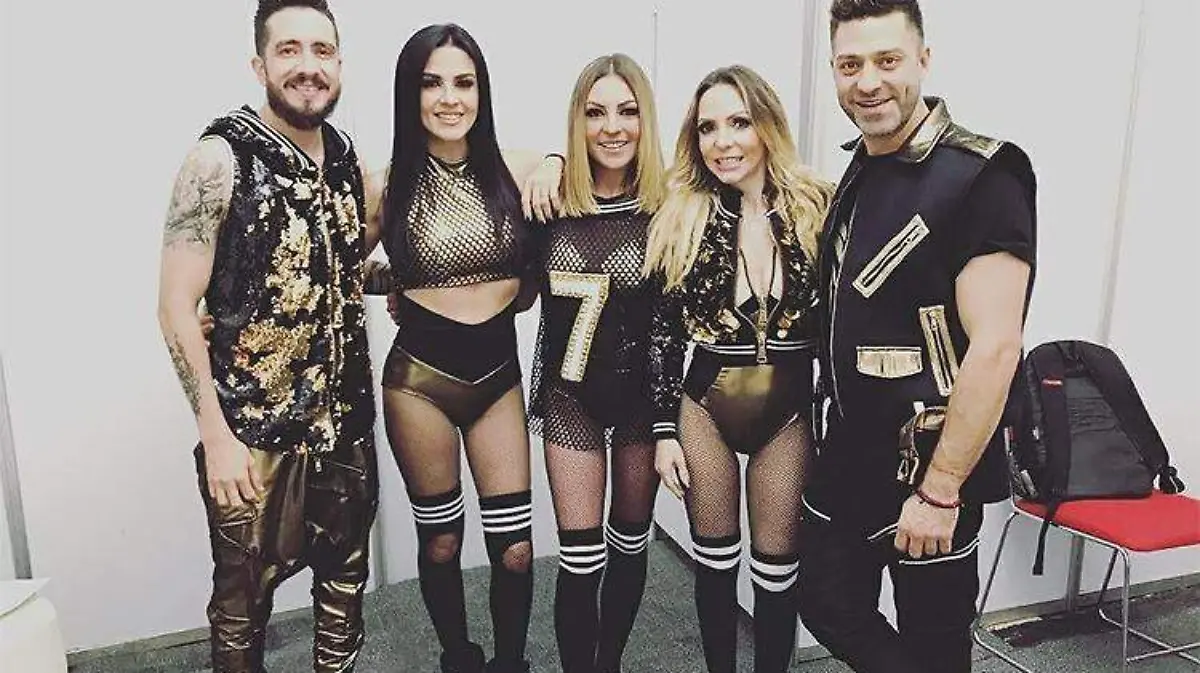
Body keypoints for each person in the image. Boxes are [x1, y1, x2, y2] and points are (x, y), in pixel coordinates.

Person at [793, 2, 1038, 672]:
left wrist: (940, 489)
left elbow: (996, 348)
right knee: (824, 601)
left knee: (935, 644)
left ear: (923, 61)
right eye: (850, 65)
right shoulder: (863, 165)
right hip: (850, 455)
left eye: (887, 60)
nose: (868, 81)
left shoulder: (982, 174)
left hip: (929, 464)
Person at [155, 1, 381, 671]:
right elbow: (175, 304)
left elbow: (334, 268)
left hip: (344, 427)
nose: (308, 66)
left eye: (322, 50)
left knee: (345, 587)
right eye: (289, 50)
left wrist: (406, 282)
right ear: (260, 65)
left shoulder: (343, 156)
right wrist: (217, 437)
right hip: (252, 435)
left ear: (339, 63)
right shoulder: (219, 158)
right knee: (242, 605)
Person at [372, 23, 563, 673]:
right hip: (418, 383)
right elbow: (328, 267)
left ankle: (510, 663)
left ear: (482, 91)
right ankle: (459, 657)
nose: (450, 98)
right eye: (432, 83)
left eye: (464, 82)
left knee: (515, 550)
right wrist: (388, 278)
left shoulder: (521, 167)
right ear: (410, 93)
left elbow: (572, 164)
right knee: (442, 543)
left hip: (497, 381)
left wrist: (557, 163)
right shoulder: (385, 183)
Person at [644, 65, 833, 673]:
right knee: (715, 565)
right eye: (707, 128)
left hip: (788, 413)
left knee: (778, 572)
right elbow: (662, 334)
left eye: (738, 122)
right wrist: (663, 431)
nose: (722, 141)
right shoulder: (682, 217)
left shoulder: (819, 209)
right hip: (704, 410)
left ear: (767, 125)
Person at [525, 53, 666, 673]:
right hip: (569, 398)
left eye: (627, 111)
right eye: (595, 112)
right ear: (576, 122)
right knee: (580, 559)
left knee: (631, 545)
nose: (612, 127)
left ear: (646, 120)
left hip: (641, 402)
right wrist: (552, 159)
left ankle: (609, 662)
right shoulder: (550, 200)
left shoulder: (668, 206)